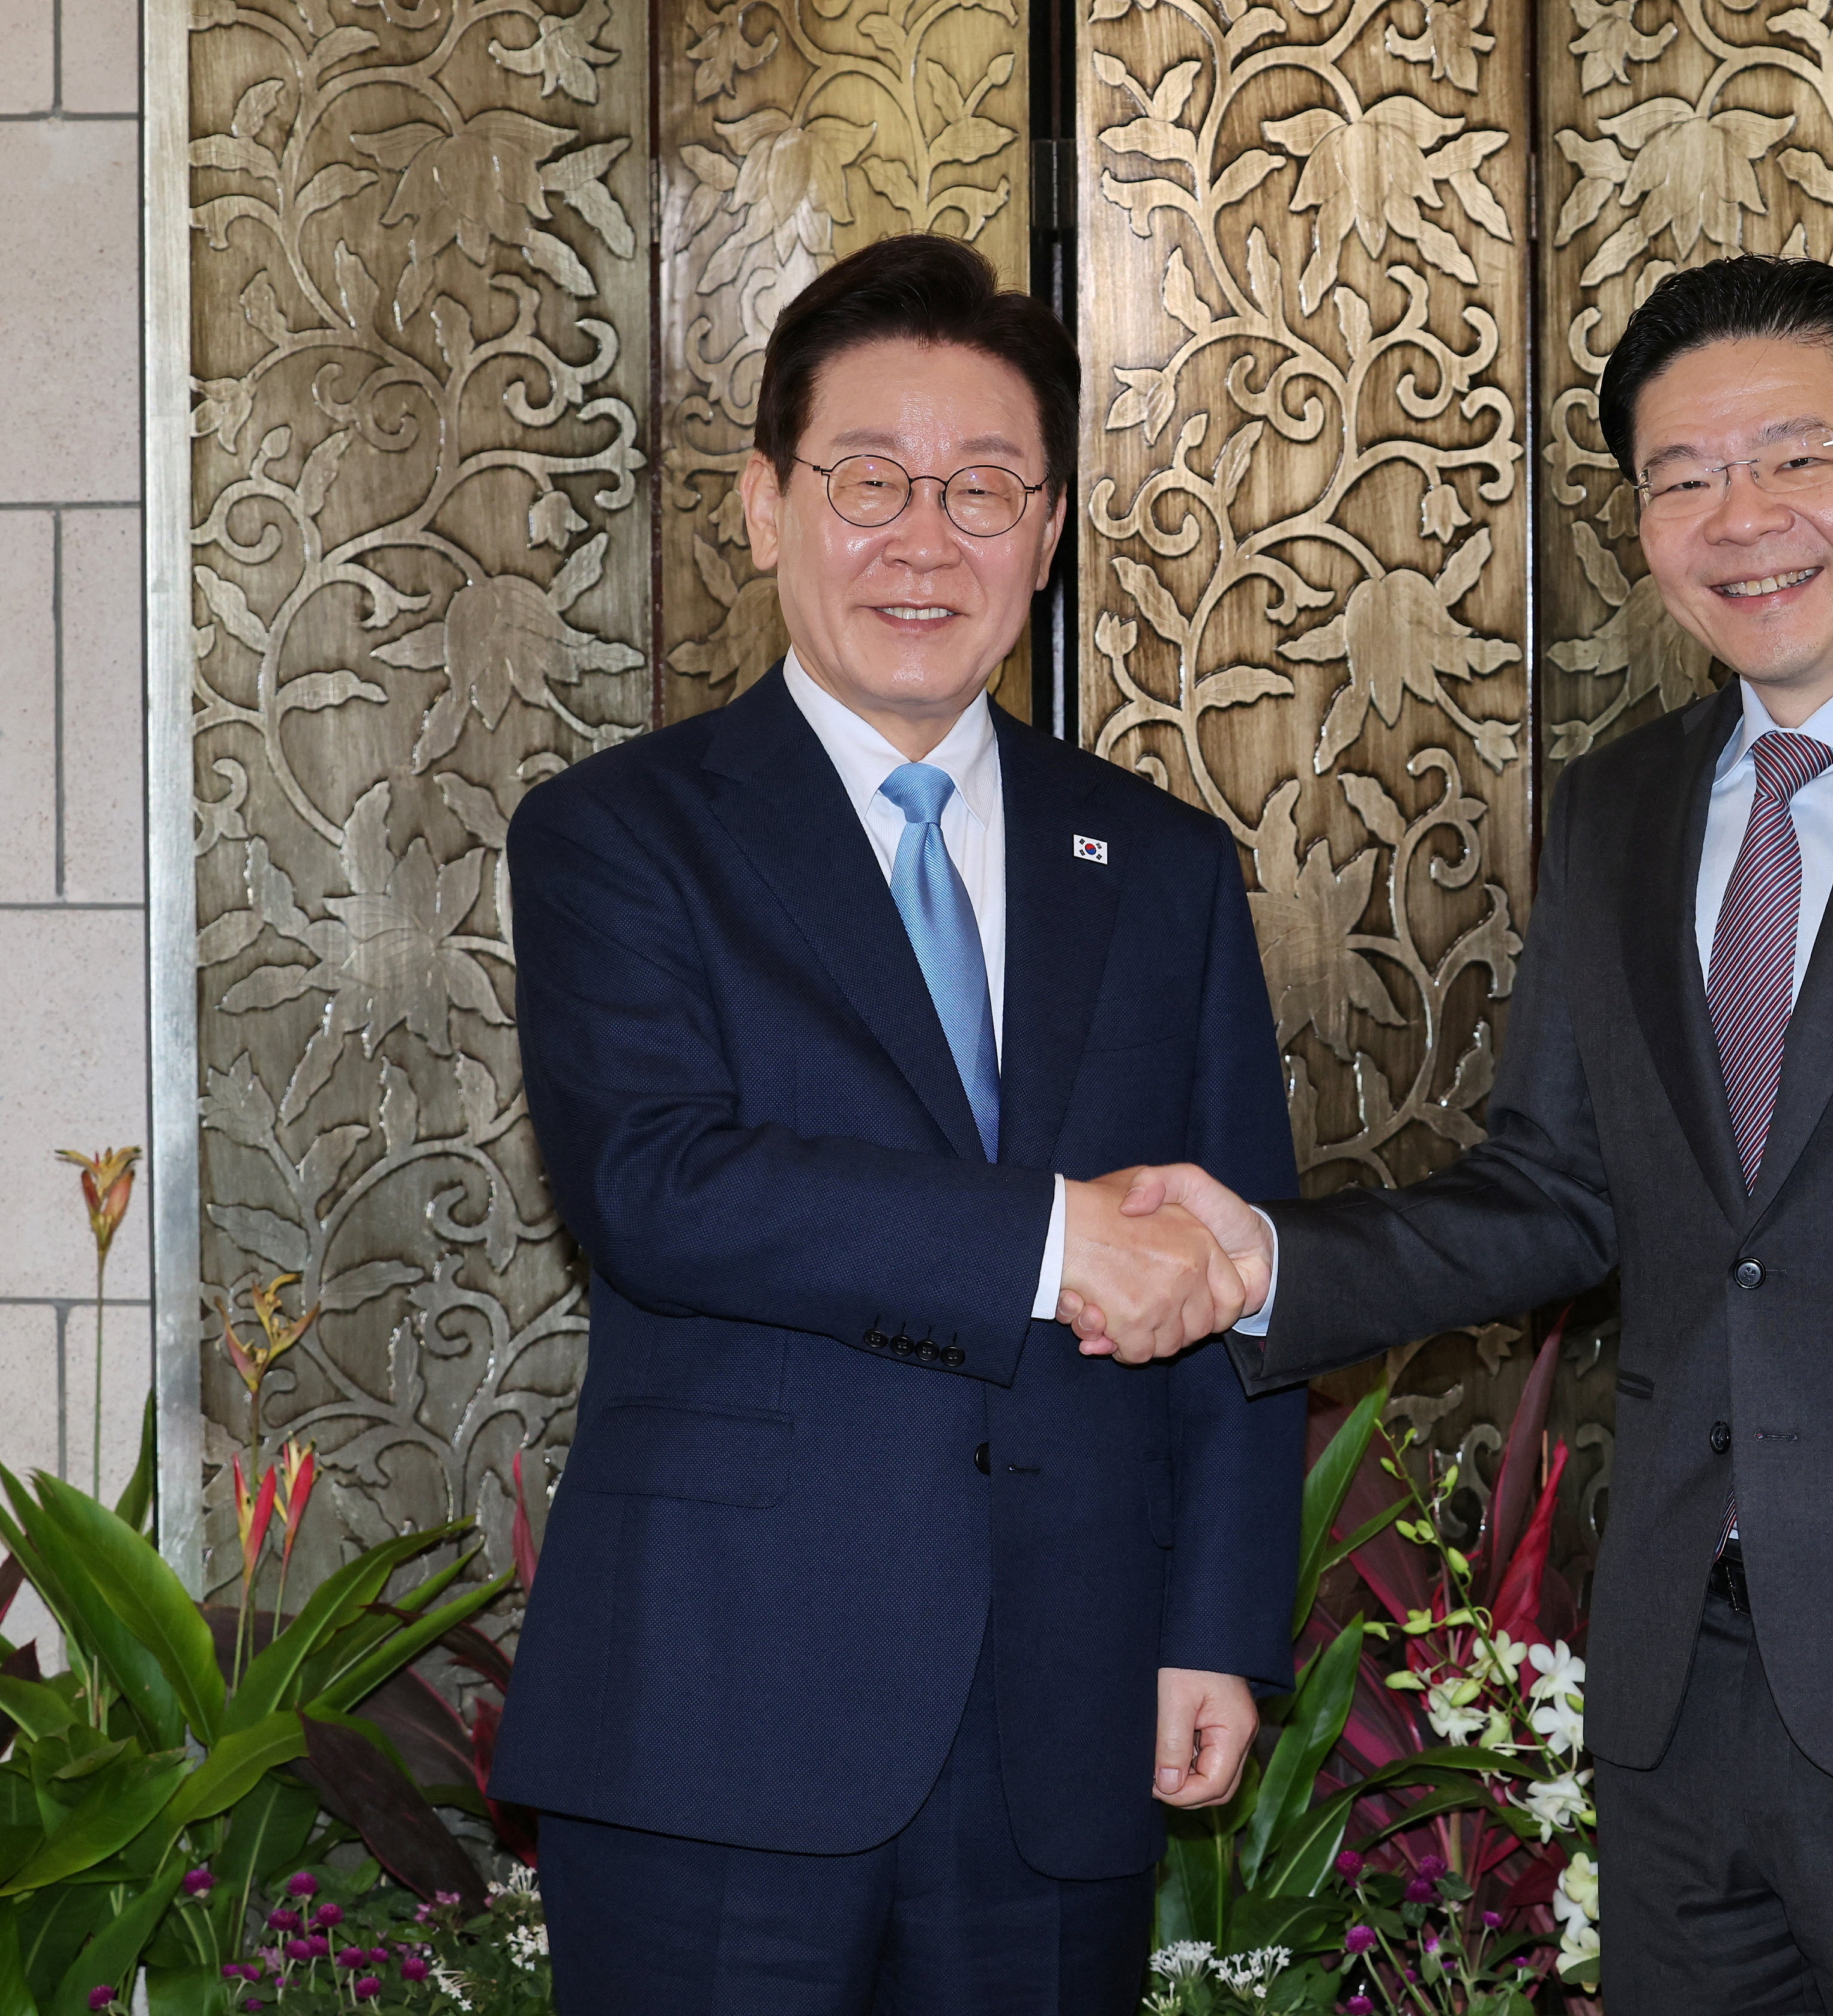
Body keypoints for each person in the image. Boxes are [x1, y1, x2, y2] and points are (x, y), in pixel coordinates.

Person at [1069, 256, 1833, 2014]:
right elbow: (1556, 1194)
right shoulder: (1623, 806)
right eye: (1684, 477)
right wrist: (1263, 1259)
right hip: (1677, 1716)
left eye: (1797, 457)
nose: (1744, 517)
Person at [495, 234, 1303, 2016]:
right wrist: (1048, 1240)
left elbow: (1241, 1268)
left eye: (984, 489)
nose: (924, 540)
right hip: (721, 1715)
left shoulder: (1159, 868)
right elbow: (656, 1185)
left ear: (1053, 527)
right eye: (869, 482)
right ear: (765, 506)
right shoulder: (622, 835)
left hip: (1063, 1712)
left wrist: (1218, 1629)